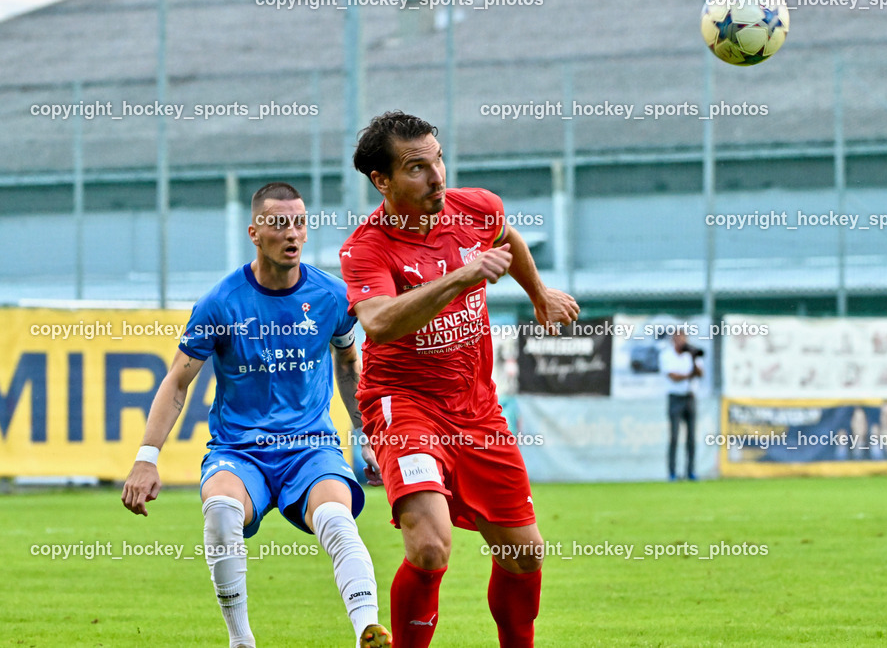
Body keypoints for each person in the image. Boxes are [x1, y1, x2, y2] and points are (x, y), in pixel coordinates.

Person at [340, 111, 579, 647]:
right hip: (406, 407)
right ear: (382, 181)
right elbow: (378, 321)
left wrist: (539, 295)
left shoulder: (475, 208)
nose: (437, 176)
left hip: (478, 409)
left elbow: (506, 237)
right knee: (429, 546)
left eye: (439, 158)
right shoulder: (366, 248)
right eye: (418, 168)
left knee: (524, 555)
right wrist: (462, 276)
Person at [121, 182, 392, 648]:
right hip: (238, 451)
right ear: (254, 232)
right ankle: (241, 640)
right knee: (222, 512)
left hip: (311, 449)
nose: (292, 233)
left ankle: (367, 628)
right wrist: (147, 457)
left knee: (336, 517)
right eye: (278, 223)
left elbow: (349, 365)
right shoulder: (220, 303)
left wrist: (366, 436)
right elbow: (176, 382)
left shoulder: (332, 296)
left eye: (300, 223)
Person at [660, 331, 703, 481]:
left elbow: (700, 373)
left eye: (683, 339)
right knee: (674, 437)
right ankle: (672, 473)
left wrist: (693, 359)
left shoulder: (691, 354)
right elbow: (673, 377)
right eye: (678, 339)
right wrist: (689, 375)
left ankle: (690, 471)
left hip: (690, 397)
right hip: (675, 398)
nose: (681, 342)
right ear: (673, 340)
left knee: (691, 438)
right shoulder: (667, 355)